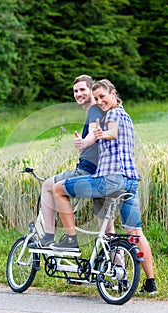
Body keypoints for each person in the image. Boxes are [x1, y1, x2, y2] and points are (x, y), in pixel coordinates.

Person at [52, 79, 157, 294]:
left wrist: (103, 134)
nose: (100, 101)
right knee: (135, 232)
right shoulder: (127, 116)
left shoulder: (113, 115)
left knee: (57, 189)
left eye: (103, 96)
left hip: (110, 180)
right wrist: (87, 142)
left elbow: (112, 131)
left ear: (113, 93)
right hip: (130, 182)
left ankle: (70, 239)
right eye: (97, 98)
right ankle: (150, 283)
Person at [29, 75, 114, 248]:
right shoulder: (104, 111)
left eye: (83, 89)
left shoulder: (94, 110)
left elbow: (92, 132)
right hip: (105, 174)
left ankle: (53, 236)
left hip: (88, 171)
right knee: (107, 231)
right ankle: (119, 268)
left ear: (92, 90)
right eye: (75, 91)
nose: (78, 94)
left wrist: (85, 142)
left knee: (47, 186)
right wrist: (84, 147)